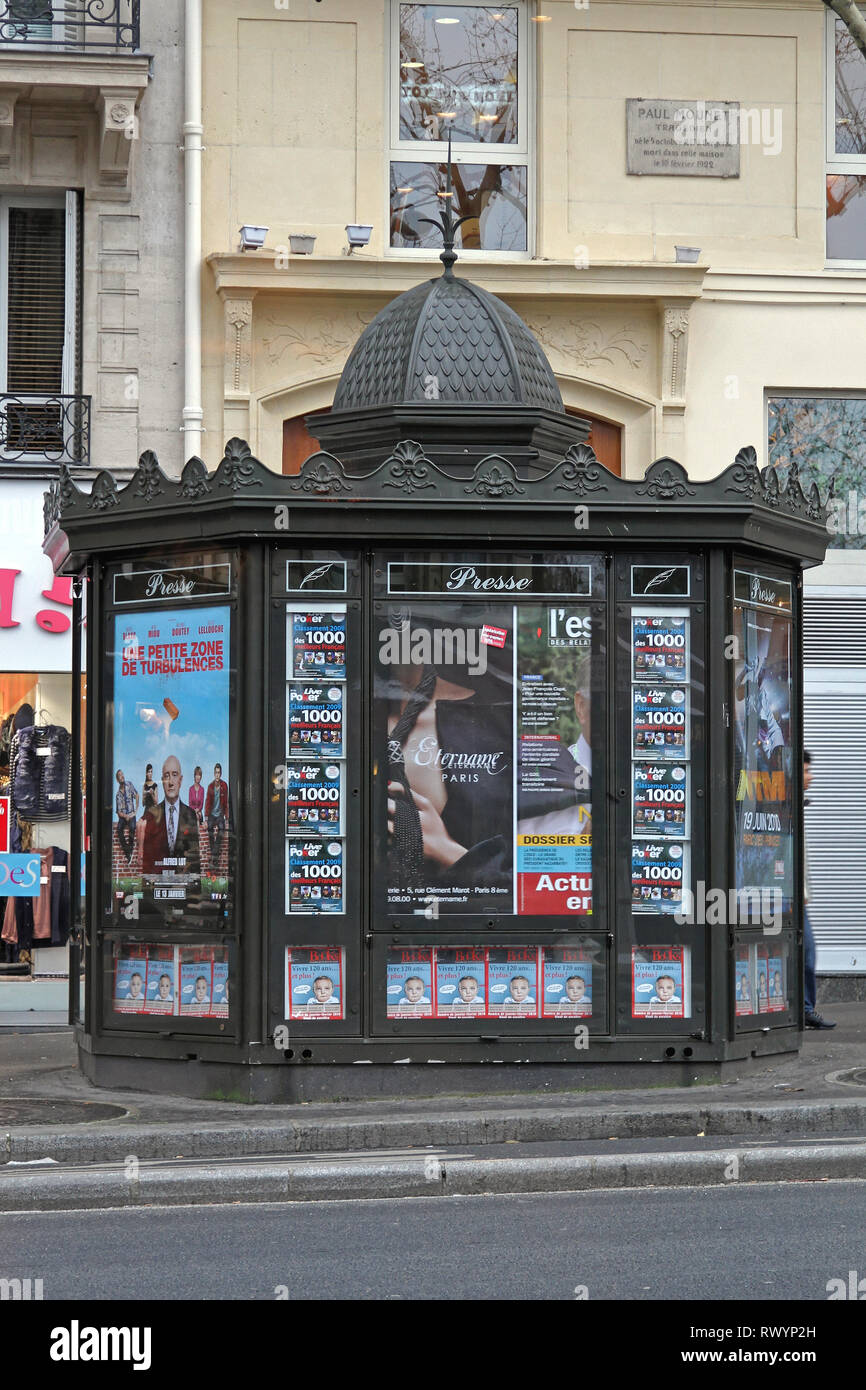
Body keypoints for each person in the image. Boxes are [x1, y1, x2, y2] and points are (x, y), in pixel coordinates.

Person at [803, 750, 835, 1029]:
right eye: (805, 771)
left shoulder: (796, 805)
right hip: (787, 898)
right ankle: (804, 1009)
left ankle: (804, 1008)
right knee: (807, 953)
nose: (810, 777)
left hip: (796, 898)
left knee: (806, 953)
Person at [139, 755, 201, 879]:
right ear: (162, 781)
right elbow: (148, 863)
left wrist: (194, 896)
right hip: (157, 892)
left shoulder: (190, 816)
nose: (171, 782)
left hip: (184, 890)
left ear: (181, 780)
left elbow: (194, 862)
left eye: (174, 774)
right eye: (167, 776)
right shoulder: (151, 815)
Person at [204, 763, 229, 866]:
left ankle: (214, 855)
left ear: (221, 774)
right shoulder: (210, 786)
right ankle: (215, 855)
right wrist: (206, 817)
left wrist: (226, 817)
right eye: (216, 773)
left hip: (219, 815)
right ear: (214, 774)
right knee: (209, 828)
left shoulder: (224, 786)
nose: (217, 775)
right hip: (211, 815)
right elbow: (207, 801)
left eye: (219, 773)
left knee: (222, 829)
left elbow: (226, 802)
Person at [114, 769, 139, 862]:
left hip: (131, 814)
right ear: (117, 780)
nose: (122, 776)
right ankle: (127, 850)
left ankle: (130, 850)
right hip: (123, 816)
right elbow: (119, 812)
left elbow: (137, 795)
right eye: (120, 775)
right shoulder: (118, 795)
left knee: (132, 827)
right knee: (119, 829)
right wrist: (125, 816)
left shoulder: (129, 785)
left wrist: (135, 811)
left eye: (122, 774)